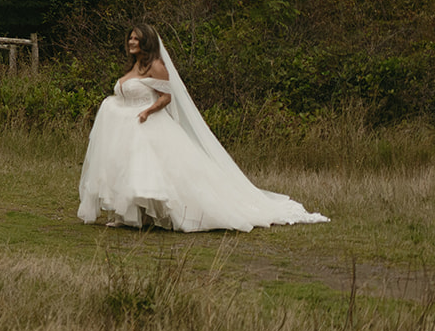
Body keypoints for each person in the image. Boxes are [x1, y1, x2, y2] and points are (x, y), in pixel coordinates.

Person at [77, 23, 328, 232]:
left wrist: (147, 111)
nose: (131, 41)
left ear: (147, 42)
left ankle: (161, 215)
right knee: (127, 169)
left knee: (151, 172)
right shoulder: (134, 67)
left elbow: (166, 97)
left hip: (147, 124)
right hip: (125, 126)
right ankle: (129, 215)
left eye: (136, 38)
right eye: (130, 38)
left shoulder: (156, 66)